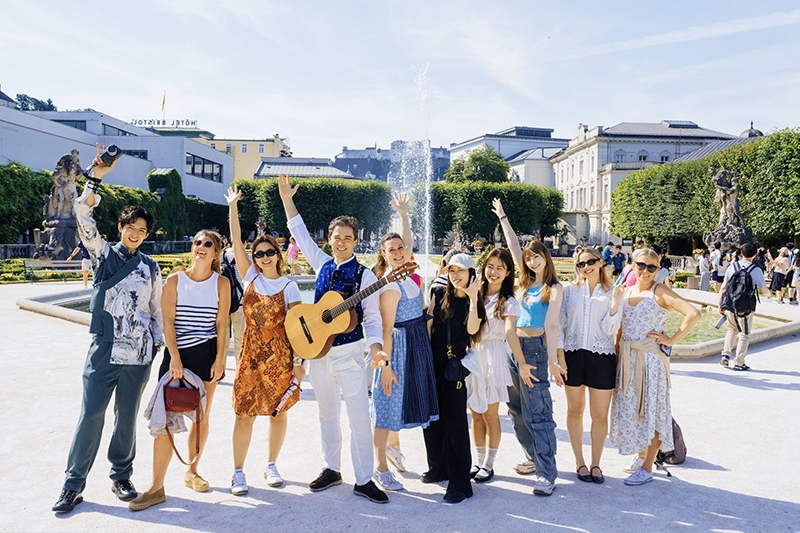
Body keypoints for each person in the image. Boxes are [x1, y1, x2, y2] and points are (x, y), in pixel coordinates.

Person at [53, 144, 163, 514]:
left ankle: (121, 476)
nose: (135, 234)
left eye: (141, 230)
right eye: (130, 228)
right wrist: (94, 180)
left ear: (147, 234)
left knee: (126, 419)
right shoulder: (102, 253)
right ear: (120, 228)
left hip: (138, 354)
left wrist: (157, 344)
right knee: (90, 416)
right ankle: (73, 485)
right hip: (104, 349)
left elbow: (156, 309)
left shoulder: (151, 267)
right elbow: (83, 213)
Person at [278, 174, 388, 503]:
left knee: (357, 416)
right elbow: (298, 231)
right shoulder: (322, 263)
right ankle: (332, 468)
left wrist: (377, 349)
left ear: (356, 241)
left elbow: (372, 318)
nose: (341, 242)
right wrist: (287, 199)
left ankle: (365, 478)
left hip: (350, 353)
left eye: (347, 238)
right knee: (326, 413)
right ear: (329, 239)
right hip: (319, 352)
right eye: (336, 237)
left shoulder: (365, 275)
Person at [129, 230, 230, 510]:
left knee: (201, 417)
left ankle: (192, 471)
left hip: (207, 355)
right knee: (166, 419)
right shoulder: (175, 280)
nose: (200, 247)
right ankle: (156, 486)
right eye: (197, 242)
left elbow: (222, 324)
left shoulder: (221, 283)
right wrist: (175, 358)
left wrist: (220, 359)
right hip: (177, 356)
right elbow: (168, 323)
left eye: (207, 244)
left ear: (216, 252)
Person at [223, 186, 304, 494]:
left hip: (279, 358)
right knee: (243, 414)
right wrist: (233, 207)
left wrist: (299, 363)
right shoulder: (250, 278)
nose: (265, 257)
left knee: (277, 412)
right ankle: (238, 472)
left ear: (277, 256)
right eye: (260, 254)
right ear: (254, 259)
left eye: (270, 252)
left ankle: (271, 464)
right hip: (250, 355)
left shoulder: (290, 286)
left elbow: (298, 328)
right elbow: (235, 241)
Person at [610, 248, 700, 486]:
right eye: (641, 265)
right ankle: (641, 457)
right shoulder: (626, 291)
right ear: (633, 264)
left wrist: (671, 340)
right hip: (627, 360)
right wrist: (617, 360)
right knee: (633, 410)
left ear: (658, 270)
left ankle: (648, 466)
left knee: (652, 412)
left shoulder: (659, 291)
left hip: (650, 363)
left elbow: (693, 314)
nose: (645, 271)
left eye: (652, 267)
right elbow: (619, 331)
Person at [494, 199, 565, 497]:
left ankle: (547, 472)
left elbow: (551, 327)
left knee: (538, 412)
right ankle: (533, 457)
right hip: (511, 348)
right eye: (529, 258)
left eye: (537, 257)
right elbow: (512, 246)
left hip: (535, 349)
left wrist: (551, 361)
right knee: (516, 411)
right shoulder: (521, 284)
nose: (532, 261)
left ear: (546, 258)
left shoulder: (554, 289)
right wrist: (503, 217)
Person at [370, 193, 439, 491]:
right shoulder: (390, 283)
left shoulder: (407, 271)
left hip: (415, 343)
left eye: (401, 248)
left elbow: (408, 243)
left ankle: (391, 449)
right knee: (386, 407)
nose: (399, 252)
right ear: (383, 254)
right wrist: (385, 365)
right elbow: (386, 328)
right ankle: (380, 468)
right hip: (397, 347)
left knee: (396, 405)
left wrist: (404, 214)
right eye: (392, 249)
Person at [424, 253, 486, 504]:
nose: (456, 275)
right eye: (452, 271)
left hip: (455, 366)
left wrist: (473, 298)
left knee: (456, 422)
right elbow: (429, 326)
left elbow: (472, 330)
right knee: (432, 419)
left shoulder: (475, 302)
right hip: (434, 362)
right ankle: (439, 467)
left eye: (461, 271)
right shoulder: (438, 294)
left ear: (472, 274)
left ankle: (460, 482)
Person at [558, 247, 623, 485]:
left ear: (601, 262)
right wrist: (559, 358)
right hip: (573, 356)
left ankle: (596, 463)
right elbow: (560, 325)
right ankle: (580, 462)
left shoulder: (612, 291)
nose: (586, 267)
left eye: (590, 261)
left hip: (602, 357)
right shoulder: (568, 291)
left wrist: (615, 305)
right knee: (574, 411)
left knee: (599, 415)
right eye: (581, 263)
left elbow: (609, 329)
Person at [469, 247, 522, 483]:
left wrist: (522, 362)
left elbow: (511, 333)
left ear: (508, 272)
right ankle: (477, 461)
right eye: (490, 266)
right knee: (475, 414)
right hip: (473, 354)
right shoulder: (475, 293)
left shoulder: (509, 301)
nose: (494, 271)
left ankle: (488, 464)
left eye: (500, 268)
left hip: (493, 355)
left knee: (490, 414)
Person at [718, 243, 771, 371]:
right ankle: (739, 362)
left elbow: (723, 287)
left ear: (741, 253)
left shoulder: (733, 266)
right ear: (755, 254)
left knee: (732, 330)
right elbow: (764, 291)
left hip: (731, 303)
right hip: (746, 306)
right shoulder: (756, 269)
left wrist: (720, 304)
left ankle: (725, 355)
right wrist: (769, 294)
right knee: (744, 334)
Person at [221, 237, 246, 365]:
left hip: (223, 305)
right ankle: (239, 371)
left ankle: (220, 371)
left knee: (222, 340)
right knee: (240, 340)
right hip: (240, 305)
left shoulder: (221, 256)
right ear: (245, 243)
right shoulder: (248, 260)